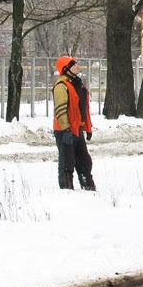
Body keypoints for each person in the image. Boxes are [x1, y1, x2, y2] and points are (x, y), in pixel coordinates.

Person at [52, 55, 95, 191]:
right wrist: (65, 130)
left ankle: (88, 187)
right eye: (73, 64)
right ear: (66, 69)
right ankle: (66, 190)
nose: (77, 66)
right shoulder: (61, 86)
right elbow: (60, 110)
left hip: (77, 129)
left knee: (84, 161)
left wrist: (87, 128)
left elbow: (83, 109)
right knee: (67, 161)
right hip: (65, 130)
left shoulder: (78, 85)